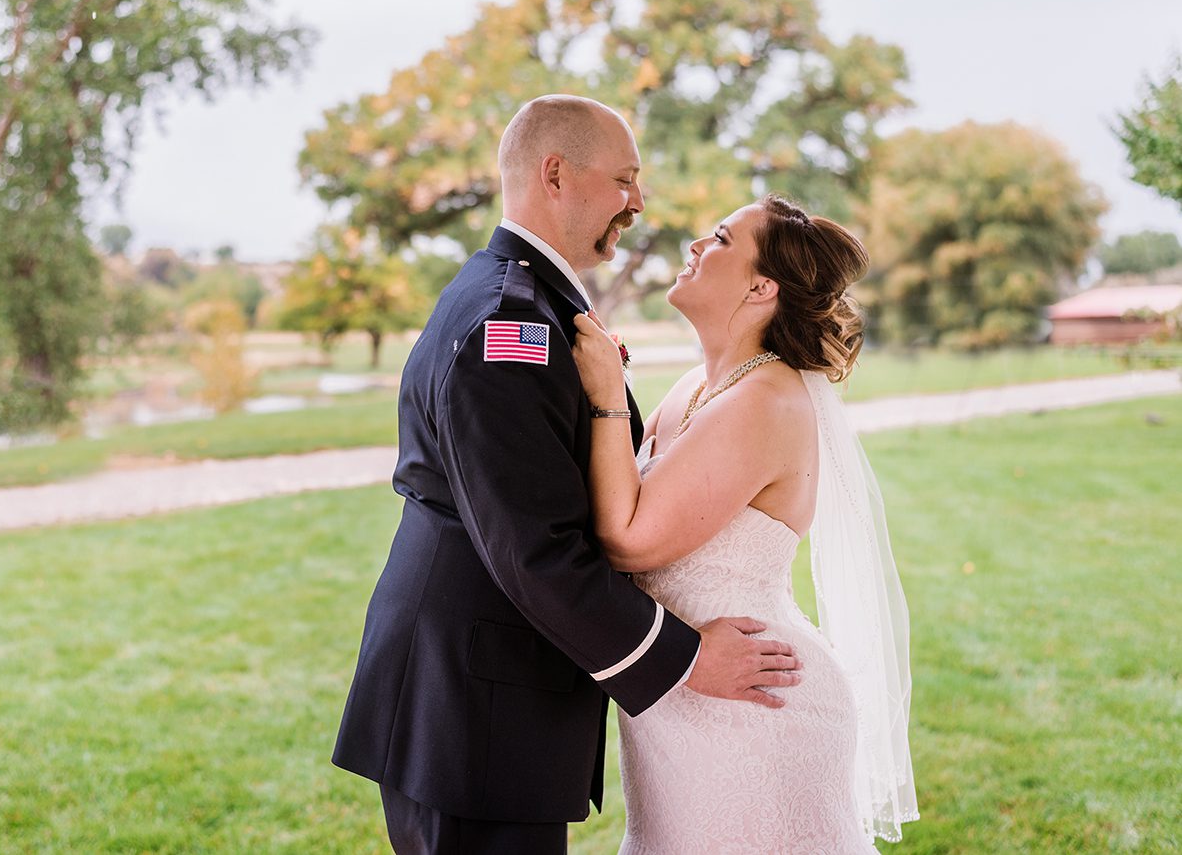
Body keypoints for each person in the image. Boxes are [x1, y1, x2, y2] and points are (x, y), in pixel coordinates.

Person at [332, 96, 802, 853]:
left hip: (476, 695)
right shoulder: (508, 325)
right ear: (555, 175)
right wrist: (684, 658)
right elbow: (534, 549)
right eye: (624, 180)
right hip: (472, 707)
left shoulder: (520, 299)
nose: (639, 204)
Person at [571, 193, 919, 852]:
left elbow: (627, 537)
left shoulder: (766, 399)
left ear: (762, 286)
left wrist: (607, 396)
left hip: (756, 709)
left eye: (721, 237)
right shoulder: (692, 389)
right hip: (686, 702)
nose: (696, 245)